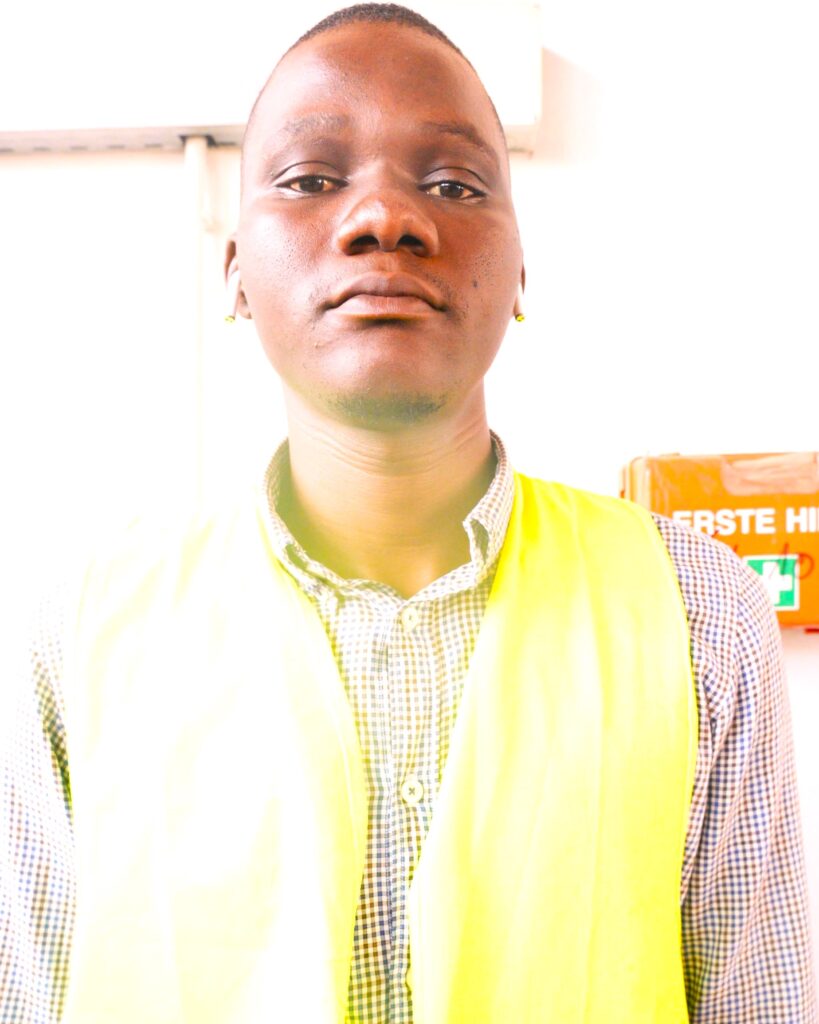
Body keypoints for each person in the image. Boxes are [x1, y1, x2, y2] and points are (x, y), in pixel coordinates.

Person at [1, 4, 815, 1022]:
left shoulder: (700, 612)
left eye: (453, 184)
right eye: (310, 179)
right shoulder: (79, 631)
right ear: (236, 272)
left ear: (519, 273)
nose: (384, 217)